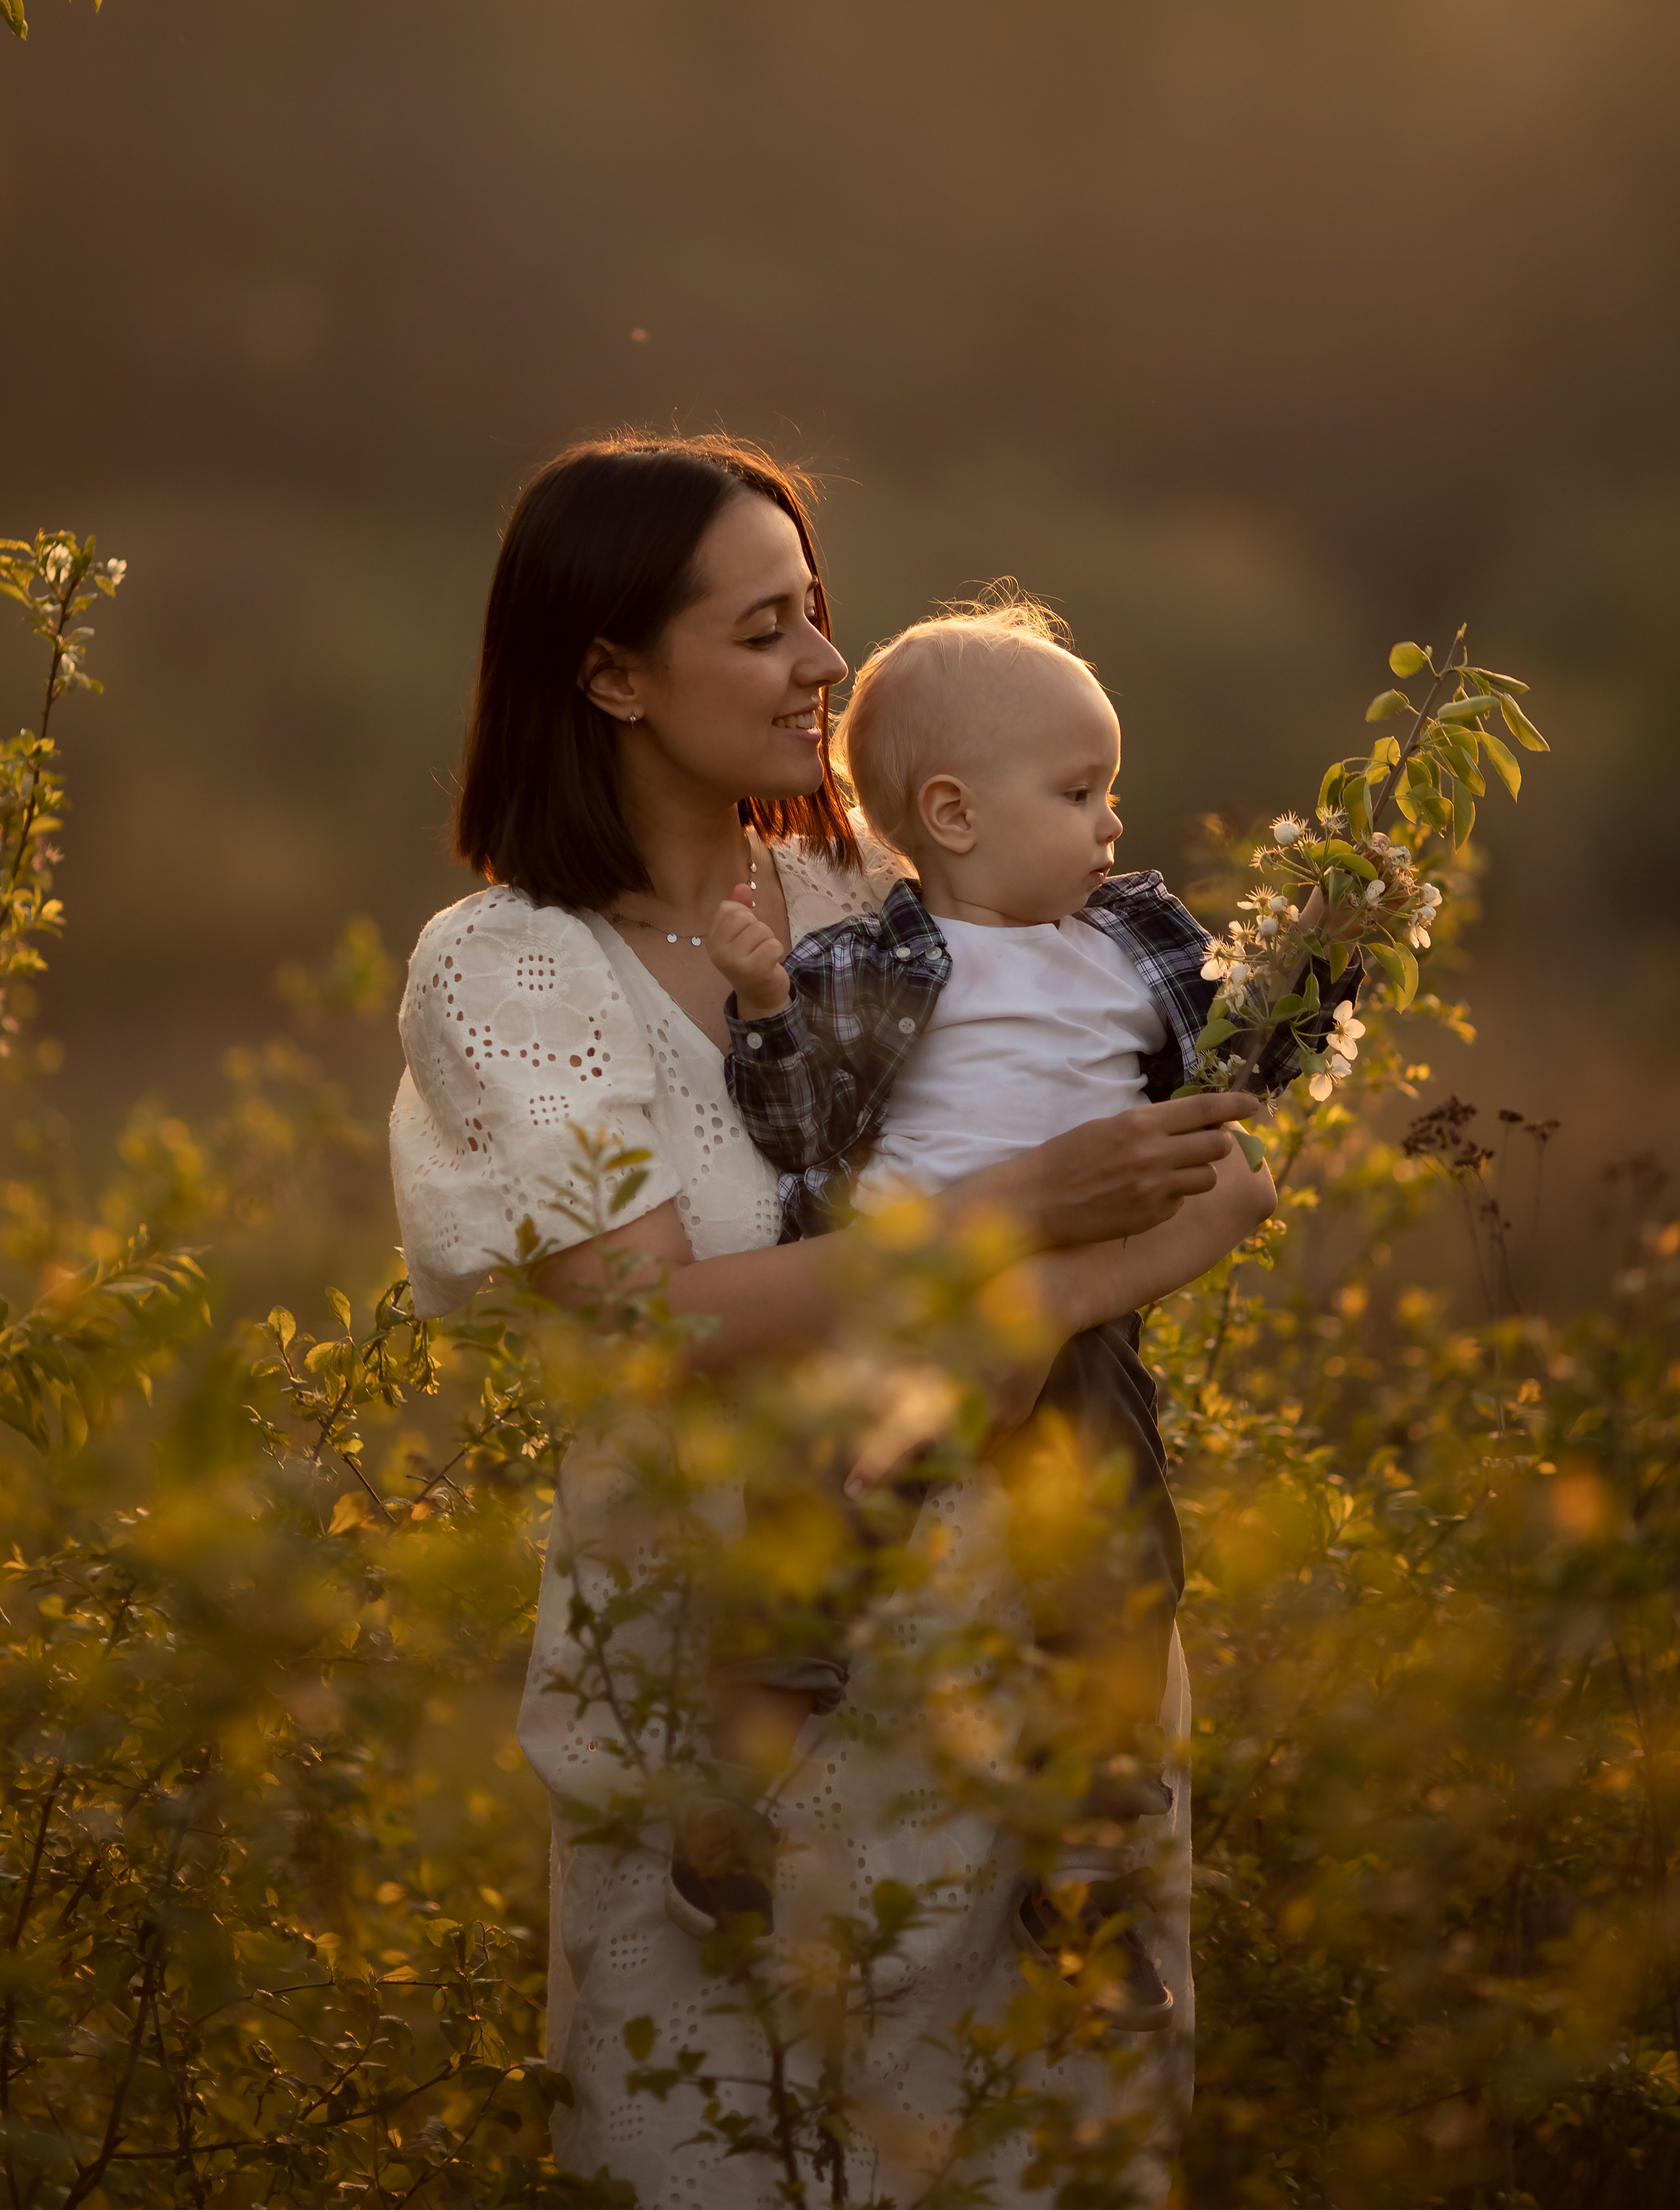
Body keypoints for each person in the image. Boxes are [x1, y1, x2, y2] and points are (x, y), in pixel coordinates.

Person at [390, 432, 1259, 2207]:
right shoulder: (508, 967)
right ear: (612, 674)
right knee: (724, 2141)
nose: (822, 668)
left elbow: (1225, 1165)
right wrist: (1005, 1227)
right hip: (722, 1696)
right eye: (765, 627)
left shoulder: (902, 898)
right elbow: (639, 1322)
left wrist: (1045, 1314)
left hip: (1010, 1665)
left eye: (819, 614)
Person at [699, 593, 1279, 2031]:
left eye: (1110, 791)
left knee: (1112, 1580)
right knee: (821, 1539)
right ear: (949, 813)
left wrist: (1318, 960)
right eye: (1077, 791)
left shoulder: (1130, 942)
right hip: (907, 1307)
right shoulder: (867, 965)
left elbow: (1242, 1083)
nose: (1105, 823)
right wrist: (764, 1005)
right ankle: (725, 1799)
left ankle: (1081, 1870)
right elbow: (793, 1126)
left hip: (1075, 1333)